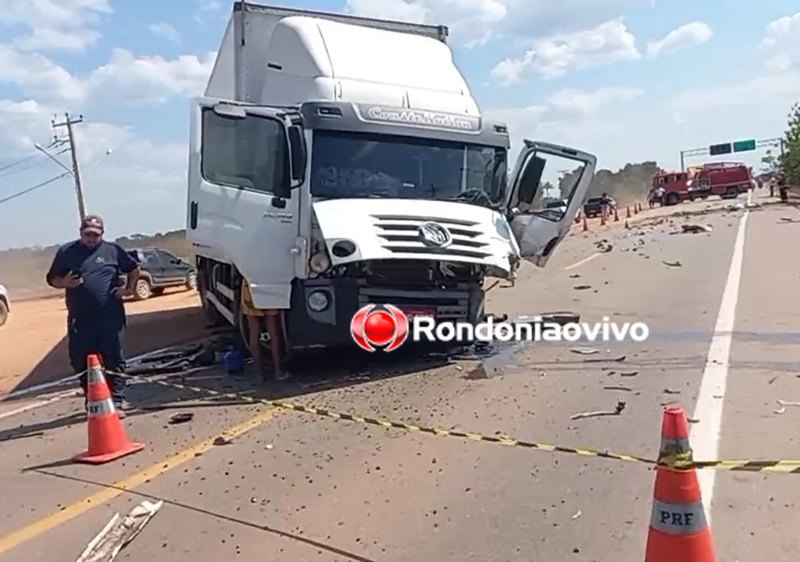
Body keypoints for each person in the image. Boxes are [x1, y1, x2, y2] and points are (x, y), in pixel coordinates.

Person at [46, 214, 140, 416]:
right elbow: (52, 278)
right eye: (88, 234)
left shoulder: (112, 250)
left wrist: (129, 290)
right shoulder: (66, 251)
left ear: (102, 234)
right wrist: (64, 283)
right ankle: (93, 399)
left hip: (110, 316)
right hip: (80, 317)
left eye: (96, 235)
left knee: (114, 357)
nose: (91, 238)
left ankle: (117, 399)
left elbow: (133, 269)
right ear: (81, 233)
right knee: (81, 360)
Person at [240, 279, 290, 382]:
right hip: (269, 287)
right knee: (274, 332)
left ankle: (259, 373)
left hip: (249, 288)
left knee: (254, 332)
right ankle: (278, 371)